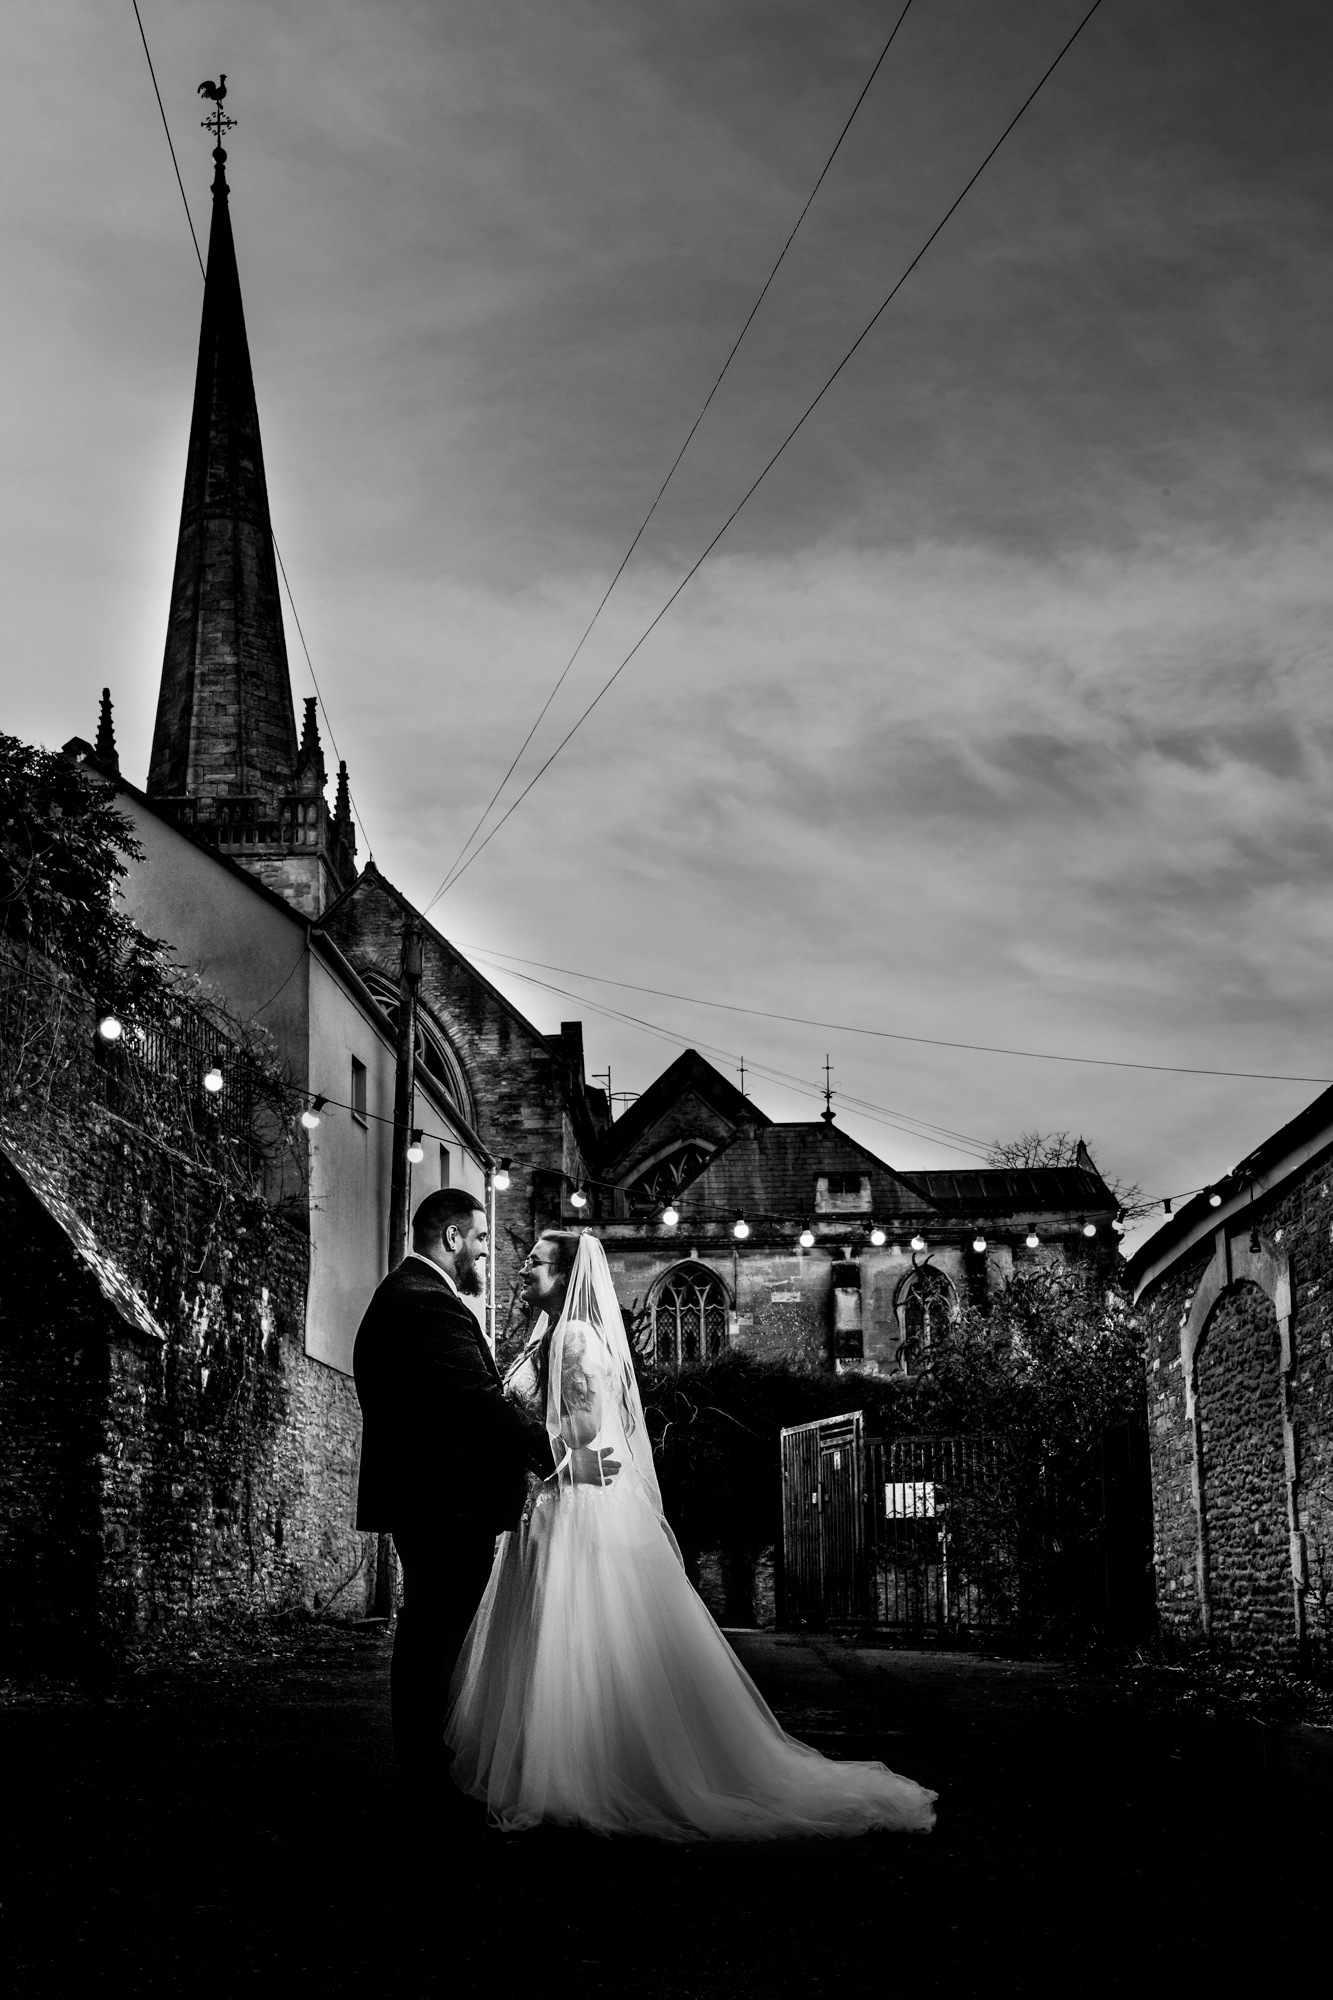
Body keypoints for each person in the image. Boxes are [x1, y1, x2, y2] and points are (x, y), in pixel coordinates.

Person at [446, 1228, 937, 1840]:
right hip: (560, 1493)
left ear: (567, 1277)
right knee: (579, 1636)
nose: (523, 1273)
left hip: (575, 1499)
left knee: (575, 1632)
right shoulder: (549, 1334)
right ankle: (570, 1764)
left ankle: (582, 1771)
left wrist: (533, 1442)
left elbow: (584, 1427)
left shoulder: (572, 1337)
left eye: (536, 1265)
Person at [352, 1189, 617, 1809]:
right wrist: (558, 1459)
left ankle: (429, 1763)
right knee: (433, 1637)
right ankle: (428, 1771)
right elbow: (476, 1403)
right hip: (445, 1503)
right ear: (450, 1239)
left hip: (438, 1500)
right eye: (477, 1239)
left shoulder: (412, 1297)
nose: (483, 1254)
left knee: (432, 1633)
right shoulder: (425, 1303)